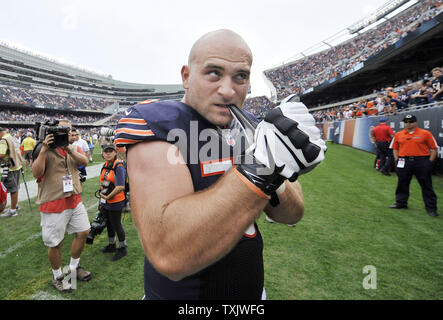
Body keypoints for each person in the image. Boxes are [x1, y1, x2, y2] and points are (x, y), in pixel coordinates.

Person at [115, 29, 326, 299]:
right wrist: (259, 167)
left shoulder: (251, 126)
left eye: (240, 76)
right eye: (213, 72)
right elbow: (170, 255)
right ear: (186, 76)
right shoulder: (158, 122)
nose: (228, 91)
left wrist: (278, 167)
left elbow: (291, 215)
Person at [31, 119, 92, 292]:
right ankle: (57, 276)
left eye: (69, 130)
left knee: (83, 232)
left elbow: (84, 162)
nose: (67, 133)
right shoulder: (42, 149)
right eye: (62, 130)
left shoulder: (73, 147)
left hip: (74, 199)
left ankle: (73, 267)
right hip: (53, 202)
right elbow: (36, 173)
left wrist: (67, 149)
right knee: (55, 243)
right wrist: (43, 149)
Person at [389, 114, 439, 217]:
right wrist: (397, 160)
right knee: (402, 183)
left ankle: (431, 208)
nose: (408, 124)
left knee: (426, 185)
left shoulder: (426, 133)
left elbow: (434, 148)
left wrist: (430, 162)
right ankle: (401, 203)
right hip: (404, 161)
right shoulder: (398, 134)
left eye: (411, 121)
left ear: (416, 122)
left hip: (421, 161)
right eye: (406, 122)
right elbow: (395, 148)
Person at [98, 143, 127, 261]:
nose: (108, 153)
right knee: (109, 223)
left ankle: (122, 248)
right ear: (103, 154)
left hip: (116, 201)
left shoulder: (118, 165)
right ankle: (111, 245)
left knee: (116, 224)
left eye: (111, 151)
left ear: (115, 152)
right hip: (106, 200)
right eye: (106, 151)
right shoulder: (105, 165)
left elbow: (121, 186)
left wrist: (108, 196)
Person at [0, 127, 23, 218]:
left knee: (12, 189)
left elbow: (1, 154)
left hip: (9, 167)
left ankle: (13, 210)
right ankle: (15, 205)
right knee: (15, 187)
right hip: (16, 165)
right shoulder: (11, 137)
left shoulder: (3, 140)